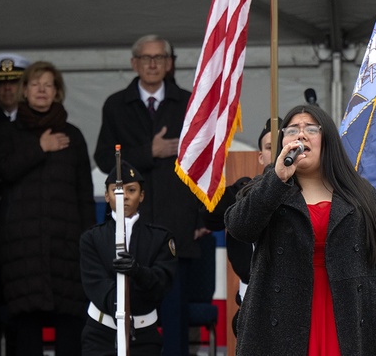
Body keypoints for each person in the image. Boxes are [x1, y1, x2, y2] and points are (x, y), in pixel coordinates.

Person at [224, 105, 376, 355]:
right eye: (291, 131)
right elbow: (239, 228)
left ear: (328, 140)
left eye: (311, 129)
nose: (301, 136)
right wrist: (276, 180)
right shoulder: (266, 188)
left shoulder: (361, 194)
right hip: (281, 313)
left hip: (347, 312)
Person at [94, 34, 208, 355]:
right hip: (130, 227)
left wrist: (201, 216)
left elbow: (206, 162)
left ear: (170, 63)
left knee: (174, 317)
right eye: (146, 58)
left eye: (160, 57)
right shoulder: (116, 105)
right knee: (126, 315)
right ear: (134, 64)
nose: (153, 64)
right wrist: (149, 151)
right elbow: (105, 159)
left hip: (178, 225)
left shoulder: (190, 102)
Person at [0, 61, 96, 355]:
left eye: (48, 84)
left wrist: (87, 242)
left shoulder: (73, 136)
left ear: (58, 92)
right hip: (20, 249)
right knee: (26, 327)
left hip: (65, 247)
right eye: (35, 84)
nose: (41, 89)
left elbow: (84, 195)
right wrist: (41, 147)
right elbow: (4, 170)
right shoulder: (7, 132)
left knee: (70, 324)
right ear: (24, 90)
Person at [80, 160, 178, 355]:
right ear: (107, 196)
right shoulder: (91, 238)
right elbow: (95, 283)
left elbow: (162, 282)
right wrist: (119, 308)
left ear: (141, 196)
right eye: (117, 191)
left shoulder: (160, 238)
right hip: (101, 334)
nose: (123, 196)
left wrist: (139, 272)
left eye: (131, 190)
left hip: (144, 335)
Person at [201, 116, 281, 337]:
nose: (275, 153)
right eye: (268, 147)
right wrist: (237, 192)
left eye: (281, 146)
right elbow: (210, 219)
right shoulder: (244, 193)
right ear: (260, 156)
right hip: (249, 298)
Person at [0, 52, 29, 356]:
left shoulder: (36, 121)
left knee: (20, 315)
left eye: (13, 83)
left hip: (24, 233)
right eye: (1, 84)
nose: (7, 90)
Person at [0, 53, 30, 124]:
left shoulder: (36, 116)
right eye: (1, 82)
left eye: (13, 82)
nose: (7, 88)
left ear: (24, 85)